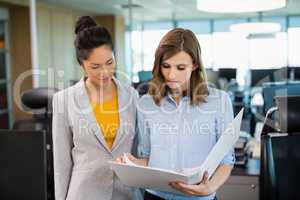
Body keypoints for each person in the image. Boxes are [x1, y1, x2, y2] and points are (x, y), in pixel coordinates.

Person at [124, 28, 235, 200]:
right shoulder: (146, 103)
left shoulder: (219, 102)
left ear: (195, 65)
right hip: (154, 196)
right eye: (165, 66)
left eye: (181, 67)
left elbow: (226, 160)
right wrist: (129, 164)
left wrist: (210, 188)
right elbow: (147, 157)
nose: (171, 74)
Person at [52, 16, 138, 200]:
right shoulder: (63, 100)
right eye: (95, 66)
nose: (105, 72)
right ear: (81, 64)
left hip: (127, 194)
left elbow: (138, 151)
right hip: (84, 193)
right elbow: (61, 163)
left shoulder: (132, 96)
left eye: (110, 62)